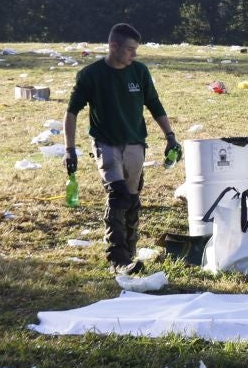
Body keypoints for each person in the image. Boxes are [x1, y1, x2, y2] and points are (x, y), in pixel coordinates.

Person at [65, 23, 180, 274]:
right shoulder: (90, 75)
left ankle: (129, 253)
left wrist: (170, 136)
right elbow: (72, 112)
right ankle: (116, 258)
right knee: (117, 194)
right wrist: (69, 149)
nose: (134, 55)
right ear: (113, 46)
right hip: (105, 143)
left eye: (135, 50)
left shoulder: (139, 72)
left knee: (131, 199)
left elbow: (154, 104)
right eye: (129, 49)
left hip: (135, 143)